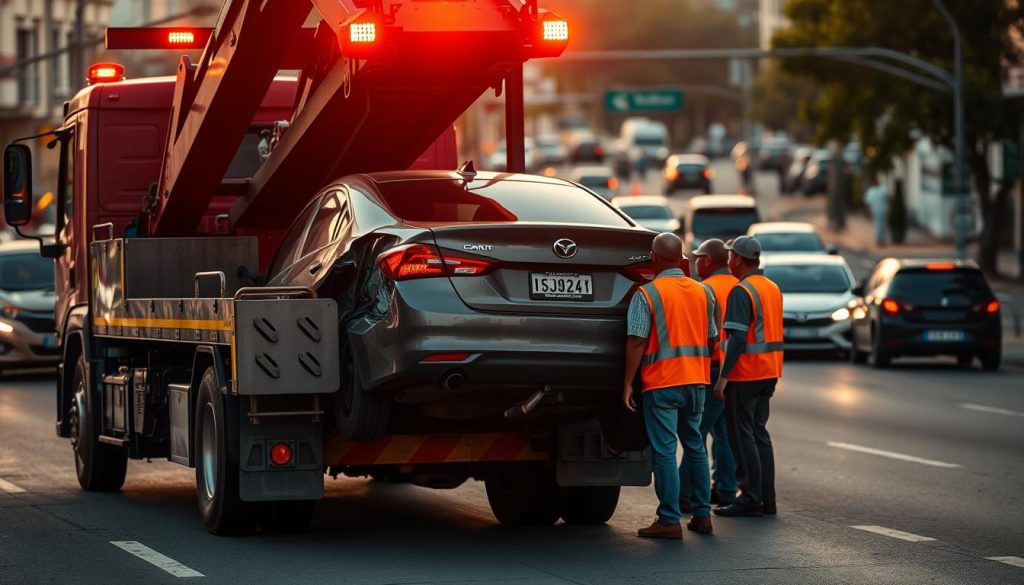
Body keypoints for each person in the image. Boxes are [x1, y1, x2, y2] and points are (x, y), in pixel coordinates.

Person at [623, 232, 718, 539]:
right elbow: (711, 337)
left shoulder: (647, 294)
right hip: (697, 381)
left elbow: (636, 341)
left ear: (653, 258)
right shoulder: (704, 293)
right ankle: (703, 516)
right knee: (695, 447)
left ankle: (669, 520)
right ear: (681, 259)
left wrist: (627, 383)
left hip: (662, 384)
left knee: (664, 452)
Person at [713, 236, 783, 518]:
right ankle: (767, 499)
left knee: (743, 437)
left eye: (730, 256)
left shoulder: (742, 291)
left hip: (746, 374)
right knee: (759, 434)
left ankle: (751, 498)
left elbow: (738, 338)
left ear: (739, 259)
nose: (728, 260)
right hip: (769, 371)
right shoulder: (771, 287)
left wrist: (723, 377)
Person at [680, 239, 739, 510]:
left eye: (698, 257)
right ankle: (726, 488)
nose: (695, 262)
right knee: (724, 432)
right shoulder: (740, 285)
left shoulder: (705, 289)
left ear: (708, 261)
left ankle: (686, 494)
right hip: (736, 370)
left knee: (696, 432)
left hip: (712, 368)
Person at [865, 176, 889, 247]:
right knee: (877, 226)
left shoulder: (883, 189)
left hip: (883, 210)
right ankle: (878, 241)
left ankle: (882, 240)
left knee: (883, 226)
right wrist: (868, 212)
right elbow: (868, 203)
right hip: (875, 211)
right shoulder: (871, 191)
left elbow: (887, 198)